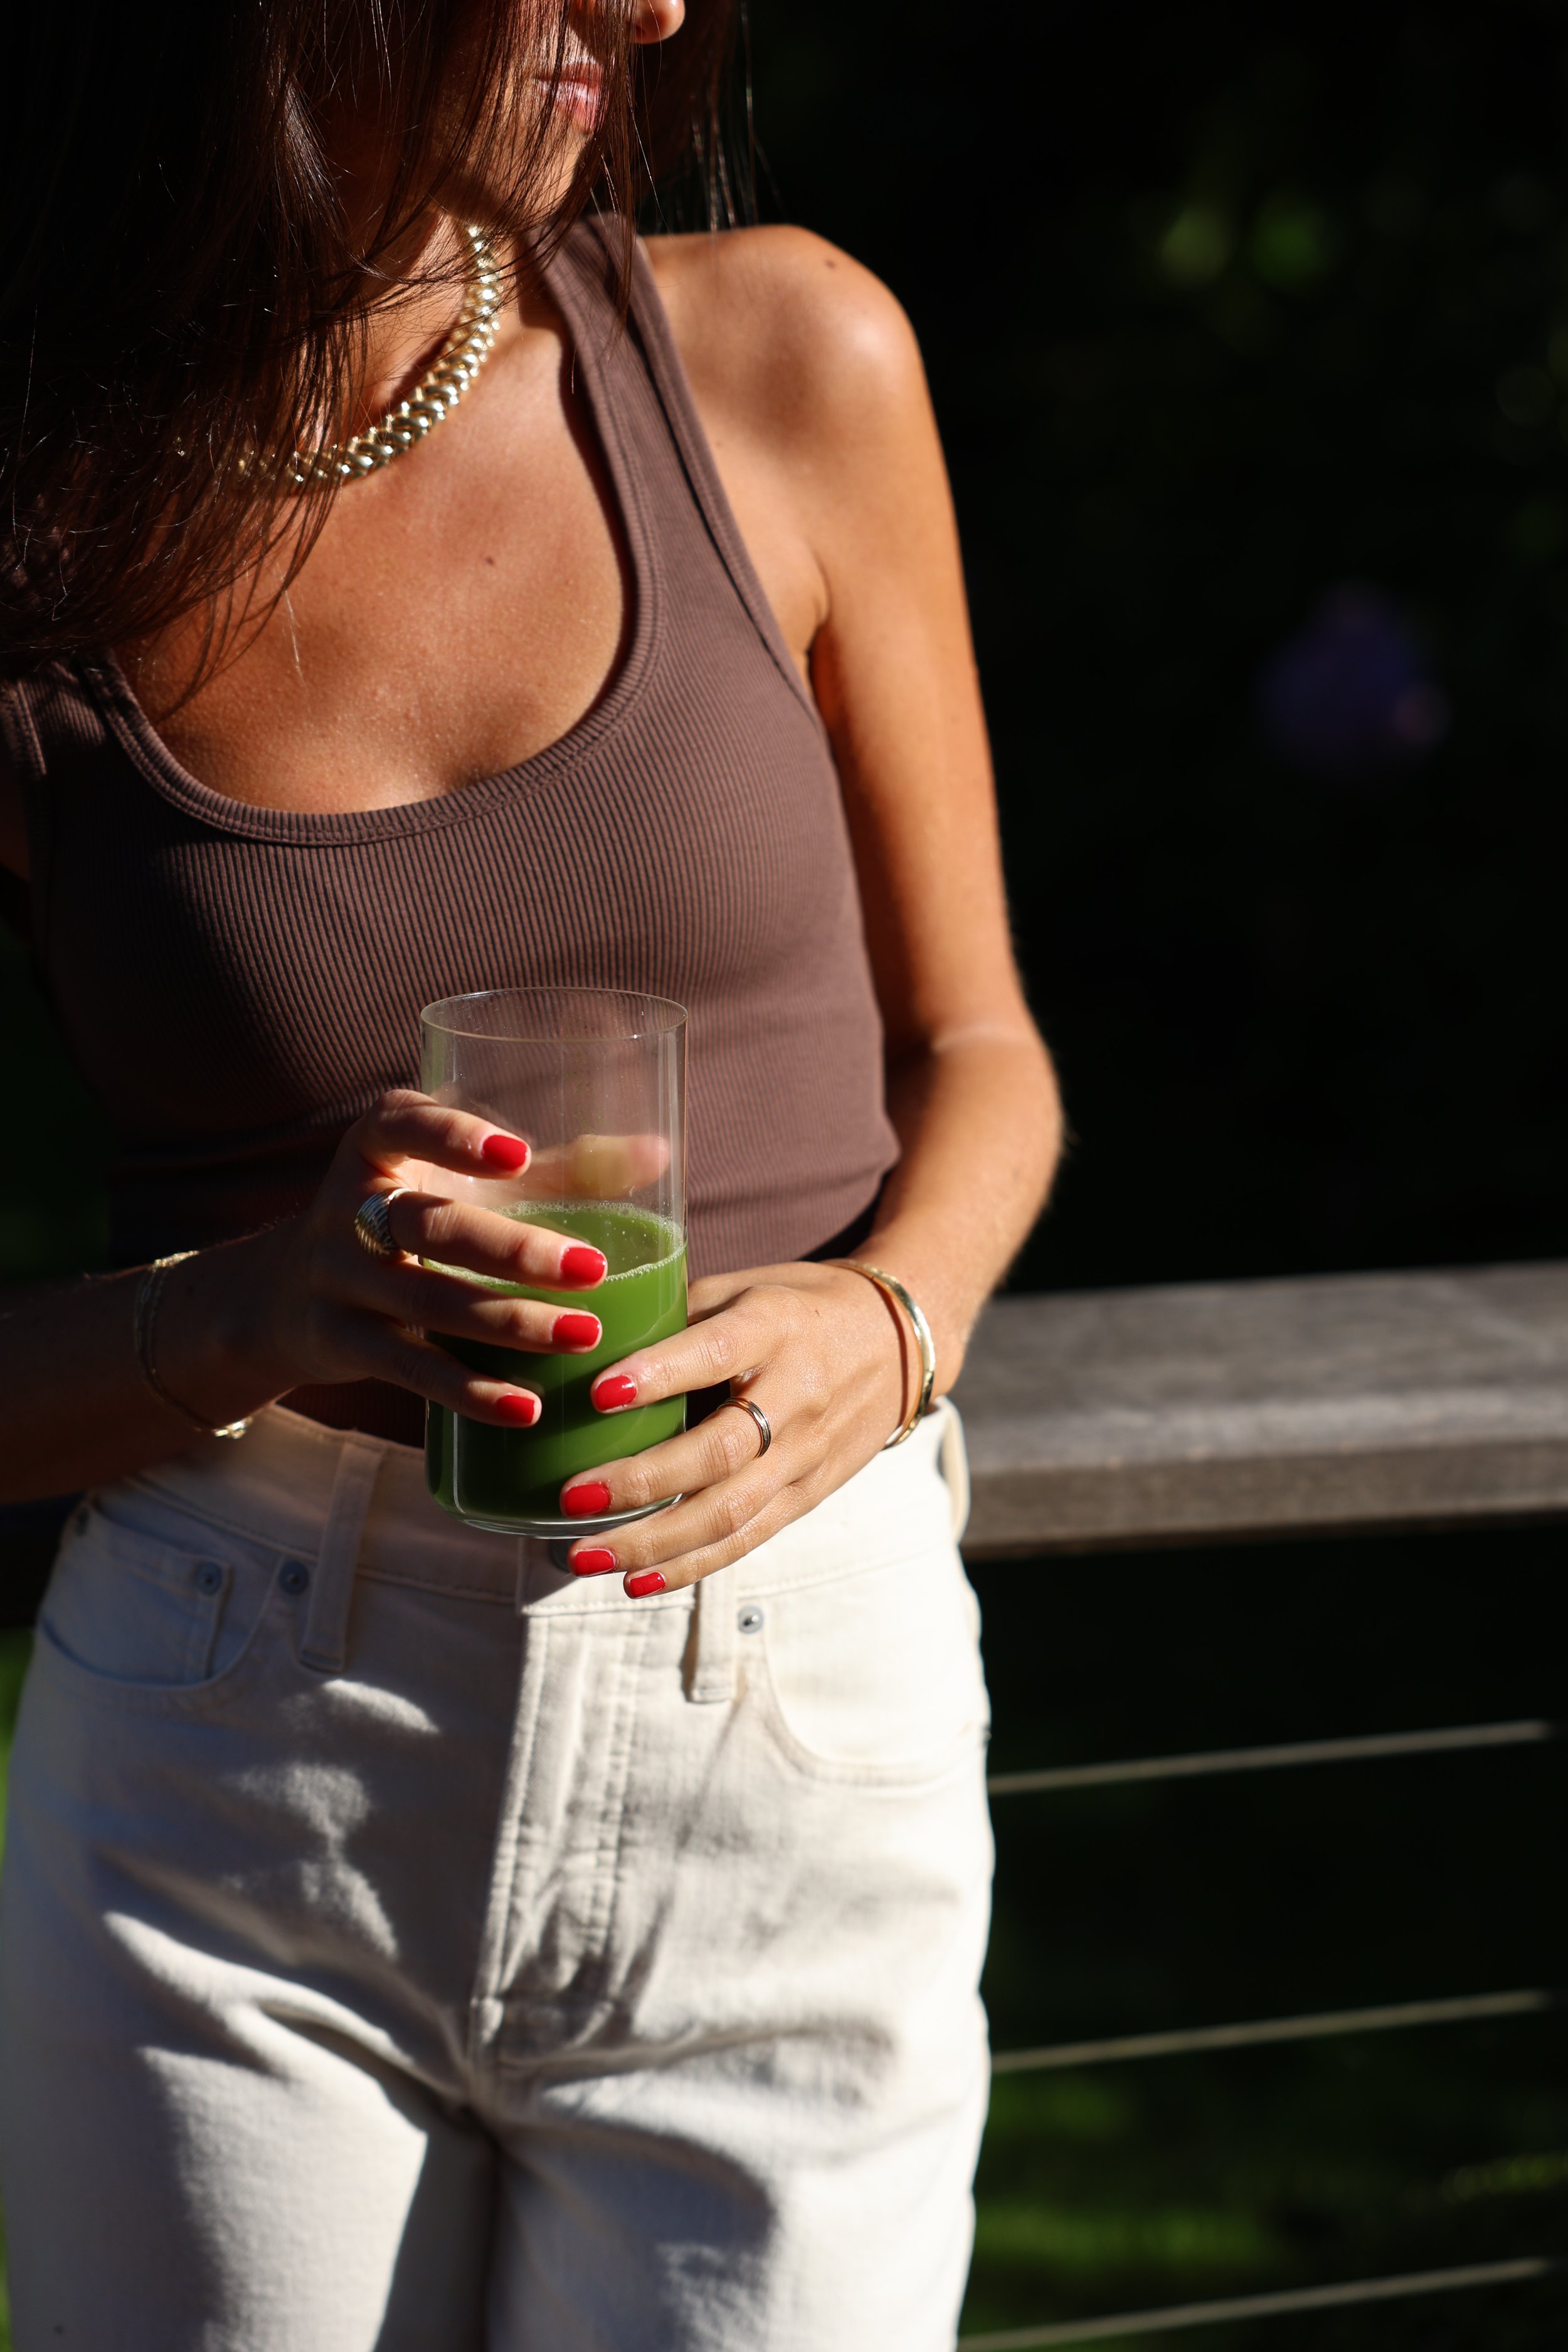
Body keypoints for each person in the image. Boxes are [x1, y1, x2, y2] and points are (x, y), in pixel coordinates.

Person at [0, 1, 1061, 2343]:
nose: (659, 3)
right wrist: (251, 1307)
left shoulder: (785, 355)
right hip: (229, 1753)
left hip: (792, 1700)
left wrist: (889, 1329)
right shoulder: (39, 510)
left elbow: (983, 1054)